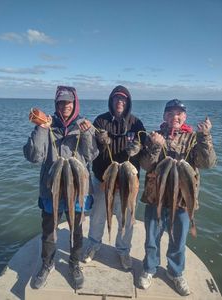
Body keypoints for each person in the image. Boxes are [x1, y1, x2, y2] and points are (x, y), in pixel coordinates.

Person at [138, 99, 217, 296]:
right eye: (171, 113)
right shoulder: (154, 136)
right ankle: (149, 269)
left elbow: (207, 163)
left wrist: (205, 136)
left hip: (183, 201)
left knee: (178, 241)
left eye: (179, 113)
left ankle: (175, 272)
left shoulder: (193, 138)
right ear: (165, 116)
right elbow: (146, 165)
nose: (176, 116)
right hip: (156, 198)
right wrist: (155, 147)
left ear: (185, 117)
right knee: (151, 239)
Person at [23, 86, 98, 289]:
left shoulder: (84, 125)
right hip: (51, 191)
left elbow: (91, 156)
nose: (65, 106)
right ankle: (47, 264)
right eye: (61, 102)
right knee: (49, 230)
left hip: (77, 190)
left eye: (68, 102)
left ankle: (74, 264)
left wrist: (88, 134)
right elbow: (34, 156)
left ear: (75, 103)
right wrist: (41, 128)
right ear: (56, 104)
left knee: (77, 230)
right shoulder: (47, 125)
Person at [83, 85, 145, 270]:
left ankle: (123, 251)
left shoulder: (137, 123)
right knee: (97, 217)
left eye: (123, 99)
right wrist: (96, 138)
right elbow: (89, 150)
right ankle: (93, 245)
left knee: (126, 219)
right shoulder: (100, 121)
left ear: (128, 102)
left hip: (128, 182)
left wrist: (139, 146)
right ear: (111, 101)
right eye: (117, 99)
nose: (120, 102)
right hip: (103, 179)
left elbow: (145, 144)